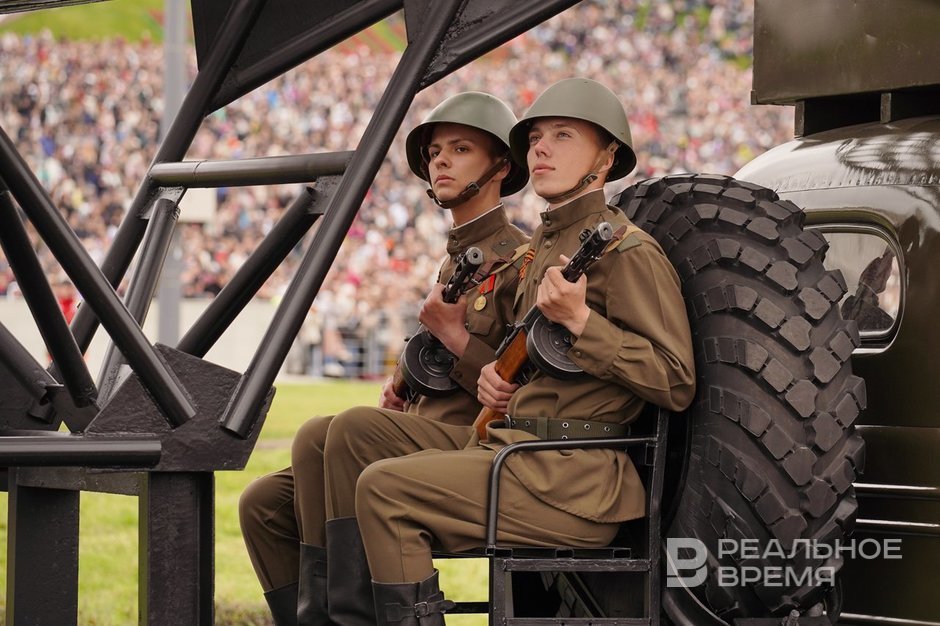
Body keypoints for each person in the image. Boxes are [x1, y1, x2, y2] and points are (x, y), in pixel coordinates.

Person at [352, 78, 696, 624]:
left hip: (574, 480)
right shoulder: (542, 250)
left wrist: (582, 322)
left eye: (563, 136)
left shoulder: (628, 252)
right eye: (535, 138)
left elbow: (675, 381)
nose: (541, 149)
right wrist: (496, 380)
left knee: (384, 490)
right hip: (523, 454)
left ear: (606, 157)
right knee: (356, 448)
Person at [238, 91, 530, 626]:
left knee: (349, 429)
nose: (440, 161)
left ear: (501, 166)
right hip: (424, 427)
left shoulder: (519, 259)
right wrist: (403, 385)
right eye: (435, 152)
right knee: (264, 500)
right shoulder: (455, 258)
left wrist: (454, 336)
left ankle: (352, 617)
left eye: (460, 149)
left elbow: (523, 379)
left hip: (475, 439)